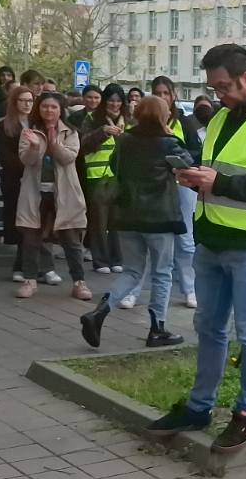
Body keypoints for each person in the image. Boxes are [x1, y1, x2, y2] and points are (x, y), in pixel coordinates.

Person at [146, 44, 246, 453]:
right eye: (214, 87)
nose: (218, 95)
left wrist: (218, 183)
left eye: (224, 87)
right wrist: (193, 172)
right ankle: (200, 407)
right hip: (213, 238)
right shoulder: (219, 117)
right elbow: (218, 165)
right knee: (208, 328)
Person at [78, 95, 186, 348]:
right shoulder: (169, 143)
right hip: (160, 217)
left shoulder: (124, 140)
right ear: (163, 116)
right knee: (162, 273)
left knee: (132, 271)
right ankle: (157, 328)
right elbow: (188, 164)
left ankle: (100, 312)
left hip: (127, 216)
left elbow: (115, 168)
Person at [15, 93, 91, 301]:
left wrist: (55, 144)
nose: (49, 111)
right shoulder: (29, 132)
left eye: (53, 107)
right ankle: (29, 280)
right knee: (31, 236)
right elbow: (27, 160)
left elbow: (68, 158)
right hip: (36, 191)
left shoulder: (70, 132)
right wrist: (34, 147)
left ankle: (79, 282)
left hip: (64, 192)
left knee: (70, 238)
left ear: (60, 110)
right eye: (45, 107)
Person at [151, 77, 202, 307]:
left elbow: (196, 153)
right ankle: (137, 290)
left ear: (173, 95)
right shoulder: (143, 122)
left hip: (182, 183)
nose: (162, 97)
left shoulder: (184, 121)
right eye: (157, 93)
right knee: (153, 239)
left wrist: (174, 144)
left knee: (185, 239)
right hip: (155, 185)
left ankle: (190, 290)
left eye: (165, 93)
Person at [80, 85, 129, 274]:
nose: (115, 105)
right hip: (97, 177)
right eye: (111, 101)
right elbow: (83, 145)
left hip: (120, 178)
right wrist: (103, 132)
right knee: (98, 222)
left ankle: (117, 258)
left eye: (118, 101)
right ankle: (100, 261)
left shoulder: (129, 121)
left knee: (117, 221)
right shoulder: (93, 119)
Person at [0, 85, 35, 282]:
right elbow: (4, 156)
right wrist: (25, 166)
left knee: (33, 222)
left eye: (30, 101)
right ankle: (19, 266)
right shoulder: (3, 126)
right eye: (23, 100)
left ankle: (30, 265)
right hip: (14, 180)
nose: (27, 104)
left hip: (34, 179)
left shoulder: (36, 123)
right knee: (18, 221)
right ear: (14, 102)